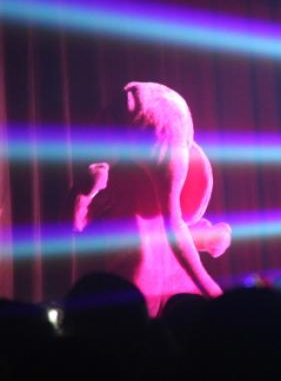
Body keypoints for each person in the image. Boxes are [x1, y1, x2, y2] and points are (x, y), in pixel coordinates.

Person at [71, 82, 230, 315]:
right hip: (132, 289)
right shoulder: (113, 180)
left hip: (180, 291)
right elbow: (77, 225)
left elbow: (176, 227)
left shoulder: (166, 179)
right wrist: (86, 193)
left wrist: (205, 238)